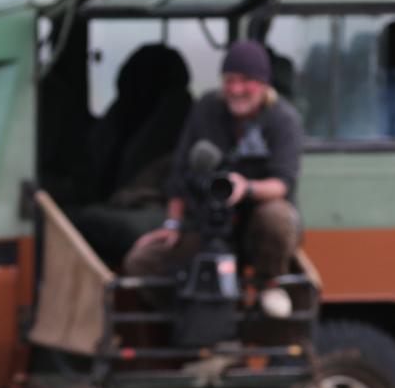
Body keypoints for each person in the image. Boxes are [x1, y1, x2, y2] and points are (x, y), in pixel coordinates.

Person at [121, 39, 301, 287]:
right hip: (207, 224)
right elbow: (179, 174)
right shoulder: (206, 109)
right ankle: (186, 315)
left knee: (276, 218)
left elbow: (282, 183)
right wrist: (173, 225)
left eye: (244, 81)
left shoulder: (283, 119)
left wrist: (244, 188)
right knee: (141, 261)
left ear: (262, 83)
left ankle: (268, 286)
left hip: (255, 227)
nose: (236, 89)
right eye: (229, 80)